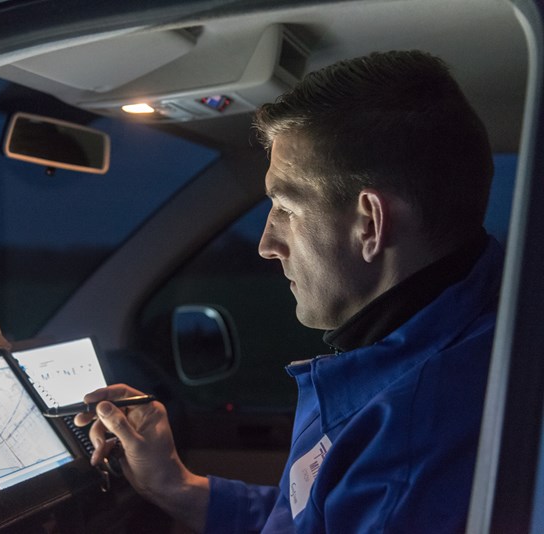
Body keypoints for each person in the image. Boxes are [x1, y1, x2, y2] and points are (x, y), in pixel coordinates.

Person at [74, 50, 502, 533]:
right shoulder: (452, 347)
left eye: (285, 207)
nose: (266, 245)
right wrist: (176, 485)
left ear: (370, 223)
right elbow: (310, 516)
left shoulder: (413, 437)